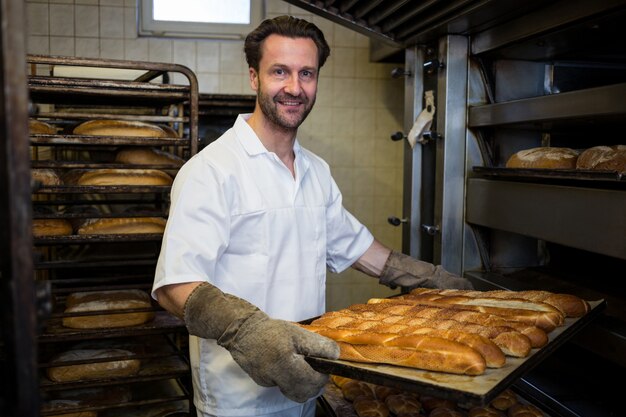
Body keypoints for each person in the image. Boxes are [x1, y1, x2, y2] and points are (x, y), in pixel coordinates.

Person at [152, 15, 472, 417]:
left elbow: (360, 250)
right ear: (254, 77)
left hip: (307, 386)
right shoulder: (212, 170)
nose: (294, 87)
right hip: (237, 398)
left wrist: (433, 280)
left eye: (307, 73)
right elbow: (174, 286)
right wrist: (247, 330)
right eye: (279, 72)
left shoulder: (316, 171)